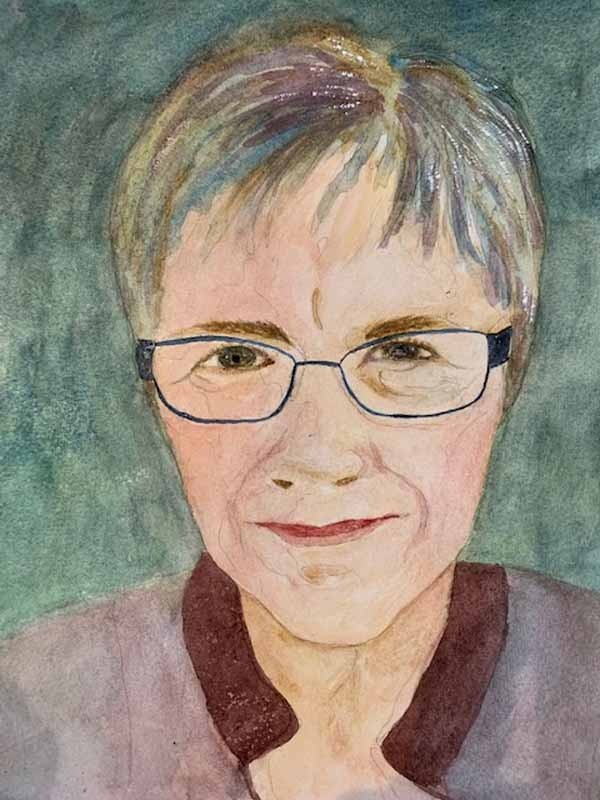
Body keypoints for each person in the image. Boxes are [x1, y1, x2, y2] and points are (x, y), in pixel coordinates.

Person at [2, 20, 600, 800]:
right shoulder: (28, 715)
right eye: (236, 358)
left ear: (507, 370)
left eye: (404, 351)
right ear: (154, 388)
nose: (321, 453)